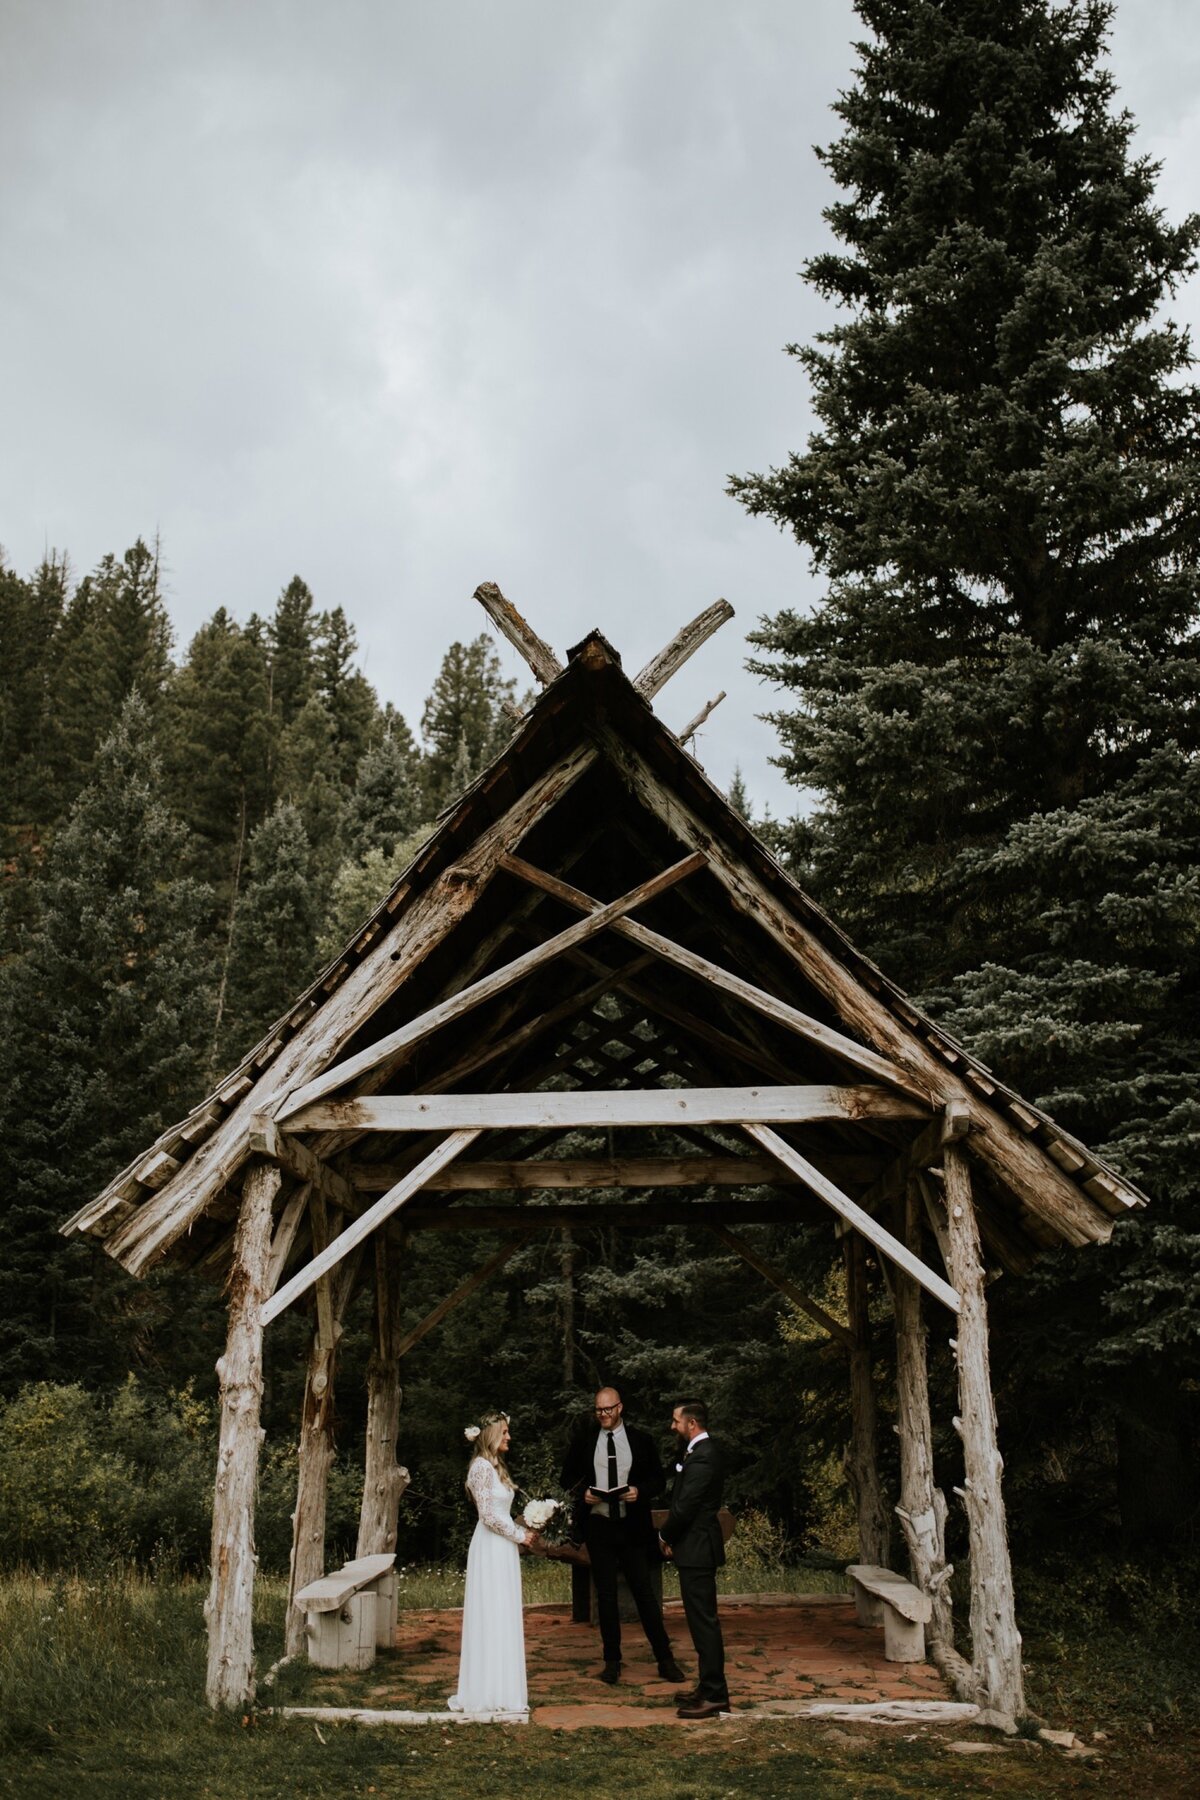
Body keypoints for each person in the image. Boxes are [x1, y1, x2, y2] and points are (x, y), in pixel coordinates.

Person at [561, 1384, 686, 1686]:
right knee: (605, 1596)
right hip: (600, 1527)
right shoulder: (585, 1441)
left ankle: (665, 1660)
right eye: (598, 1410)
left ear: (620, 1408)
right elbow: (566, 1479)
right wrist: (585, 1495)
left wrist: (639, 1491)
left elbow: (659, 1481)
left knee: (644, 1594)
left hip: (633, 1528)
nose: (603, 1415)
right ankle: (612, 1661)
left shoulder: (641, 1440)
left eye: (608, 1409)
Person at [448, 1409, 537, 1717]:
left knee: (504, 1612)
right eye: (505, 1432)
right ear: (492, 1436)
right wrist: (519, 1534)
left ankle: (504, 1688)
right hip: (491, 1547)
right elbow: (487, 1516)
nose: (509, 1437)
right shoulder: (481, 1467)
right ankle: (485, 1690)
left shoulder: (496, 1466)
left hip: (503, 1547)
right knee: (491, 1612)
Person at [659, 1398, 730, 1719]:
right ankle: (707, 1687)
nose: (672, 1426)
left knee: (704, 1624)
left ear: (692, 1424)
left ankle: (715, 1694)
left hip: (698, 1547)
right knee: (700, 1621)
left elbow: (686, 1506)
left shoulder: (704, 1457)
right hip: (694, 1547)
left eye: (676, 1421)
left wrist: (665, 1535)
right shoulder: (696, 1453)